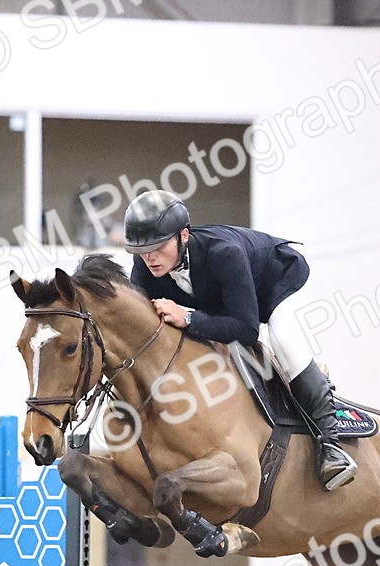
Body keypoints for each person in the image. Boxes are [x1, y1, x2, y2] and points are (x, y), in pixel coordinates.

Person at [124, 190, 358, 492]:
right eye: (142, 250)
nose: (150, 257)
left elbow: (247, 330)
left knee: (283, 340)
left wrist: (190, 318)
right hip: (225, 300)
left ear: (183, 236)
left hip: (278, 283)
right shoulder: (145, 266)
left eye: (157, 247)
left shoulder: (223, 252)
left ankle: (331, 445)